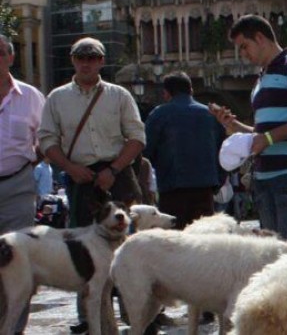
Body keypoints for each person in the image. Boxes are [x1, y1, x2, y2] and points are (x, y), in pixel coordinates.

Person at [37, 36, 145, 334]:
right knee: (83, 249)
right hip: (80, 178)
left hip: (117, 174)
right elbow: (46, 139)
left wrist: (114, 168)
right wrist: (70, 168)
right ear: (73, 60)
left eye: (92, 57)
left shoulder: (119, 95)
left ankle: (133, 313)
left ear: (101, 61)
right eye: (80, 57)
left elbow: (137, 136)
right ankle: (89, 316)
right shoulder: (56, 98)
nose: (86, 63)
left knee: (128, 248)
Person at [209, 15, 287, 245]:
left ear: (260, 38)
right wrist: (234, 126)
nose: (243, 54)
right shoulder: (261, 80)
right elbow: (263, 135)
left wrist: (268, 138)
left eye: (244, 46)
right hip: (267, 179)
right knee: (274, 257)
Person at [0, 33, 45, 334]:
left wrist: (29, 166)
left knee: (16, 260)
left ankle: (14, 328)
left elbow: (47, 140)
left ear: (11, 57)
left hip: (17, 184)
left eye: (0, 52)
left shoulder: (30, 97)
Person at [144, 71, 226, 230]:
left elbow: (147, 152)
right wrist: (217, 180)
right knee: (204, 240)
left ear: (166, 93)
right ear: (191, 90)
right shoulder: (210, 115)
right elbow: (223, 152)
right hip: (205, 188)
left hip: (172, 188)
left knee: (175, 241)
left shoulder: (159, 114)